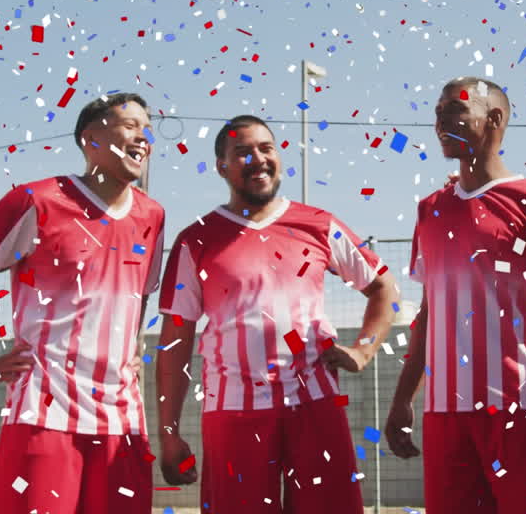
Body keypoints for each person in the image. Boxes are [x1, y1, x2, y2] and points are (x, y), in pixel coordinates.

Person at [0, 92, 166, 514]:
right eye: (130, 124)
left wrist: (131, 343)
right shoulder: (36, 201)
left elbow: (142, 291)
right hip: (45, 416)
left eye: (147, 129)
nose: (143, 136)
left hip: (123, 423)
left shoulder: (152, 216)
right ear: (89, 137)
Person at [154, 114, 399, 512]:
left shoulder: (318, 224)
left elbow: (384, 288)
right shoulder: (195, 239)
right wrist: (168, 433)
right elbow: (174, 342)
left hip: (315, 404)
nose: (257, 159)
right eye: (242, 152)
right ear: (222, 166)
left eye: (266, 148)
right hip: (233, 411)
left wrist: (363, 350)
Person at [384, 77, 526, 514]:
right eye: (437, 113)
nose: (441, 121)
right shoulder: (430, 209)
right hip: (444, 413)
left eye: (455, 110)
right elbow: (429, 314)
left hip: (520, 406)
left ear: (495, 119)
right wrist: (403, 399)